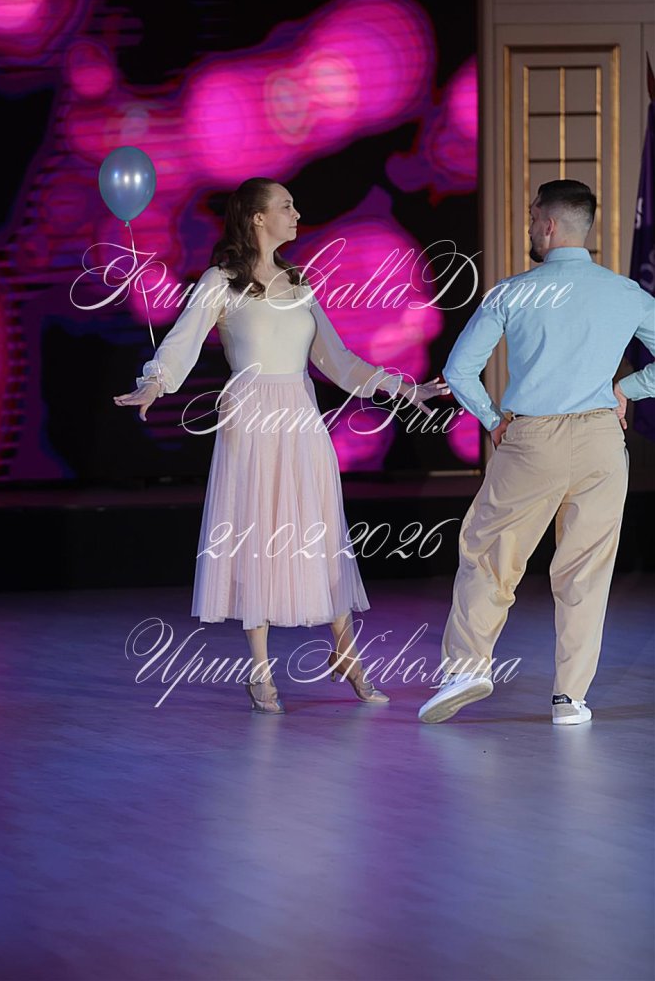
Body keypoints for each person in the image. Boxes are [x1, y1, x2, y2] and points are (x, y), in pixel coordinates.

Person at [114, 177, 449, 714]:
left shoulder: (300, 283)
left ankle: (346, 653)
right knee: (257, 533)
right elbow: (182, 342)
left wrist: (404, 387)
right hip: (250, 418)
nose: (296, 213)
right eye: (286, 206)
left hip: (300, 417)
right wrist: (155, 381)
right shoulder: (221, 281)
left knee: (318, 528)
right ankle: (261, 672)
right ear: (257, 218)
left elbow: (338, 361)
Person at [417, 179, 655, 726]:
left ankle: (467, 669)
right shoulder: (624, 292)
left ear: (548, 225)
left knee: (489, 558)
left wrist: (491, 420)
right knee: (586, 573)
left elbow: (458, 371)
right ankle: (570, 699)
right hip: (601, 440)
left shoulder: (512, 292)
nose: (529, 227)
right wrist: (628, 389)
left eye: (531, 218)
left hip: (531, 441)